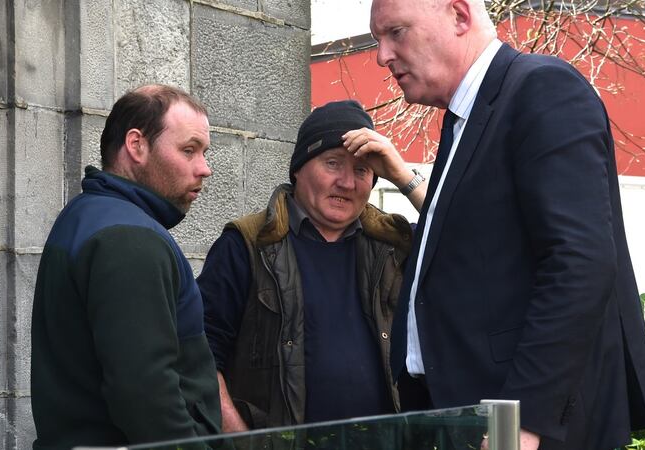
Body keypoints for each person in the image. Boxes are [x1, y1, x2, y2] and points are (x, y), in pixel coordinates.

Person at [340, 1, 645, 449]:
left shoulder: (542, 89)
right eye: (378, 39)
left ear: (459, 15)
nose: (383, 55)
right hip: (473, 417)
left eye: (396, 32)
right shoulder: (466, 118)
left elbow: (580, 263)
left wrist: (525, 421)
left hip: (525, 430)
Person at [197, 100, 413, 432]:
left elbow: (473, 248)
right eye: (333, 163)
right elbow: (200, 355)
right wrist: (241, 440)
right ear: (298, 168)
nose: (347, 182)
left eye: (361, 170)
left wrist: (403, 176)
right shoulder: (248, 245)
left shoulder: (395, 245)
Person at [30, 84, 222, 449]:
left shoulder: (87, 215)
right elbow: (145, 393)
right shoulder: (129, 238)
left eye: (204, 152)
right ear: (136, 145)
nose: (204, 169)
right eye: (189, 150)